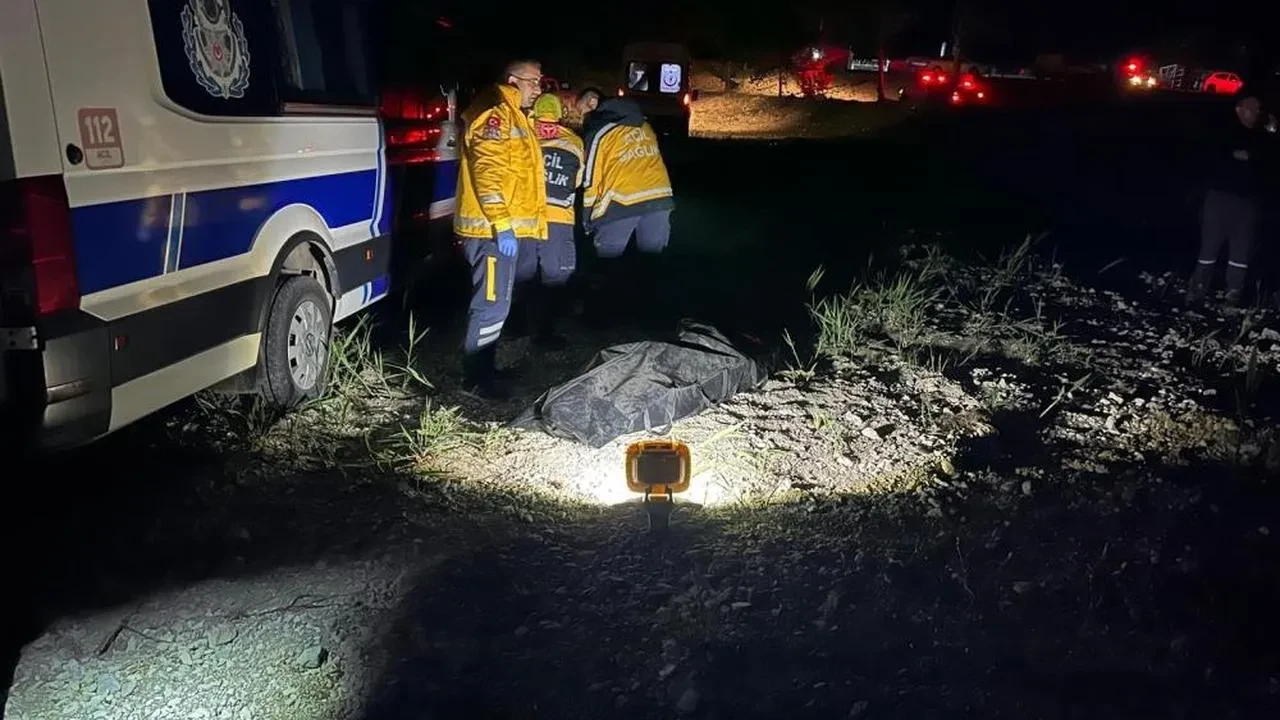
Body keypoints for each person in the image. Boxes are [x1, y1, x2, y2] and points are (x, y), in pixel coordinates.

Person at [453, 59, 548, 398]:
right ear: (512, 80)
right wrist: (502, 224)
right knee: (491, 303)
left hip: (501, 230)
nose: (539, 89)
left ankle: (486, 369)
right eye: (533, 82)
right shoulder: (496, 113)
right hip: (491, 232)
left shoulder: (514, 113)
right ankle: (476, 379)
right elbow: (488, 172)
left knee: (499, 303)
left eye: (540, 82)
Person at [578, 94, 675, 326]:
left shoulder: (600, 132)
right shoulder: (644, 124)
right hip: (659, 198)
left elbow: (590, 178)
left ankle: (598, 318)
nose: (579, 116)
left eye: (579, 110)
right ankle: (652, 318)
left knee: (606, 260)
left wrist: (588, 219)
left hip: (621, 200)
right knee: (651, 262)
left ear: (592, 103)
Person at [512, 92, 583, 348]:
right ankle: (541, 331)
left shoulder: (521, 137)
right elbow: (577, 181)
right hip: (554, 218)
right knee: (552, 274)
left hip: (529, 217)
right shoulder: (573, 142)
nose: (547, 127)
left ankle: (522, 326)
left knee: (526, 273)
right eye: (546, 122)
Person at [1186, 94, 1267, 308]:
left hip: (1247, 202)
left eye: (1258, 109)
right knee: (1210, 246)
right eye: (1251, 108)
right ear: (1239, 109)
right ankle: (1197, 290)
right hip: (1219, 197)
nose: (1256, 113)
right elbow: (1211, 157)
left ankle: (1233, 294)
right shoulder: (1224, 132)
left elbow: (1267, 165)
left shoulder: (1261, 137)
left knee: (1241, 250)